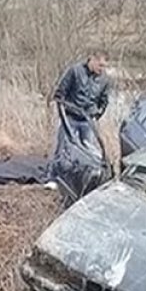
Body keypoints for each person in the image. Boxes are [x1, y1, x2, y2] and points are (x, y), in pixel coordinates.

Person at [44, 49, 111, 190]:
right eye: (100, 65)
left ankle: (79, 183)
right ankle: (53, 178)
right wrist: (64, 114)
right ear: (92, 59)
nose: (102, 69)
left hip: (88, 122)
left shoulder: (104, 80)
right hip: (70, 119)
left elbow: (104, 101)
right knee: (62, 149)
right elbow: (60, 94)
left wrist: (96, 115)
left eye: (104, 66)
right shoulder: (74, 71)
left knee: (87, 152)